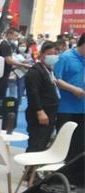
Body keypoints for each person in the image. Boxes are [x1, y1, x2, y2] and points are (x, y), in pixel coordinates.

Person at [53, 33, 85, 161]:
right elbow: (56, 79)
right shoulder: (66, 57)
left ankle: (75, 170)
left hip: (82, 108)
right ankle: (61, 169)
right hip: (66, 108)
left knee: (79, 144)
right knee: (64, 143)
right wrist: (73, 89)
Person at [25, 43, 60, 152]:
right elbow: (33, 93)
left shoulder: (49, 70)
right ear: (41, 54)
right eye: (49, 54)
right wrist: (40, 111)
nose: (52, 56)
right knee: (36, 143)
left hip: (50, 111)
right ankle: (29, 163)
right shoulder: (35, 71)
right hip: (40, 113)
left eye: (55, 54)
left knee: (44, 142)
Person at [0, 29, 30, 99]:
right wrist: (23, 65)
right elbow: (8, 60)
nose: (16, 38)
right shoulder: (5, 45)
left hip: (3, 73)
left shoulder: (8, 45)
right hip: (2, 74)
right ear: (9, 35)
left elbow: (11, 58)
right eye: (15, 36)